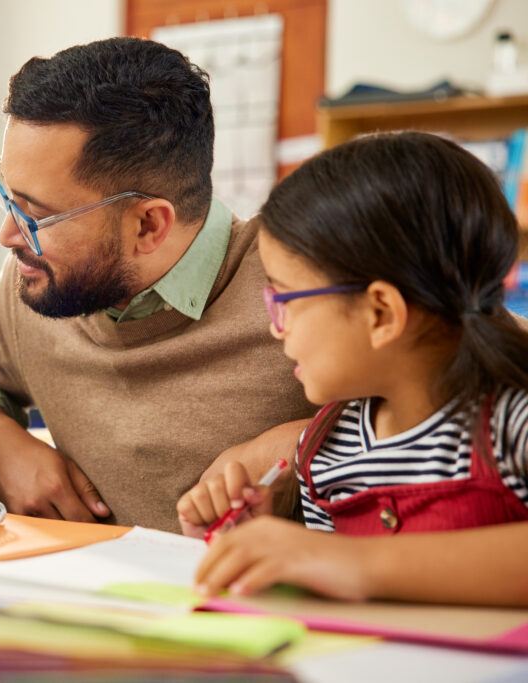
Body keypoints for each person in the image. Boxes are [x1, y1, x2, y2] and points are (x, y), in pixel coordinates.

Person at [0, 37, 313, 533]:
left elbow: (426, 418)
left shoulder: (299, 284)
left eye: (36, 215)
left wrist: (300, 447)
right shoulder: (36, 280)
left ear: (148, 225)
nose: (7, 236)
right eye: (9, 199)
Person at [180, 131, 528, 607]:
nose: (275, 329)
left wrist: (346, 561)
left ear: (381, 313)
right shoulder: (326, 450)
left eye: (284, 300)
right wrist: (262, 548)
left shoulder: (512, 422)